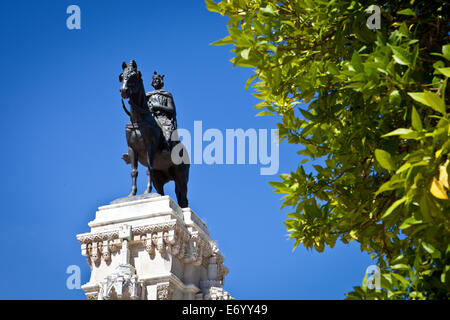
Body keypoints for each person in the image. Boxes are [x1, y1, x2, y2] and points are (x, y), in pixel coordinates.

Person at [146, 72, 177, 152]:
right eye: (153, 79)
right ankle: (134, 150)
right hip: (151, 118)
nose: (155, 81)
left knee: (167, 134)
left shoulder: (166, 95)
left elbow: (171, 109)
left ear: (161, 81)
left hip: (163, 119)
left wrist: (158, 106)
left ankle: (166, 149)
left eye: (157, 79)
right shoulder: (148, 95)